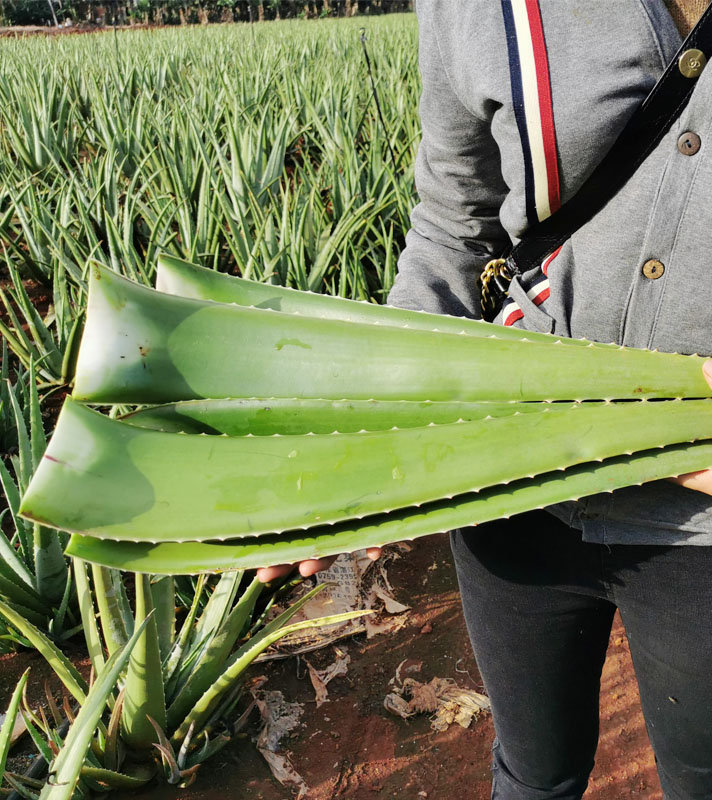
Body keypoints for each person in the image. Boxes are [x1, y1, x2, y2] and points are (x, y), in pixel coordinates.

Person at [262, 2, 712, 797]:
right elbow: (452, 224)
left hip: (700, 526)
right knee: (531, 774)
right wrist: (358, 428)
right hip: (508, 479)